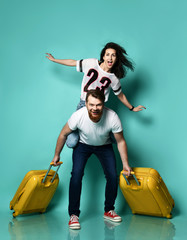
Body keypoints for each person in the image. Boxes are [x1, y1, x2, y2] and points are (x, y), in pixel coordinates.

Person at [51, 89, 132, 230]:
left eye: (98, 105)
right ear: (86, 104)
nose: (95, 108)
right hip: (83, 146)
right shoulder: (78, 116)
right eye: (91, 105)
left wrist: (126, 164)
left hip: (104, 146)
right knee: (76, 176)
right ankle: (73, 215)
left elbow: (120, 142)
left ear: (103, 104)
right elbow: (63, 134)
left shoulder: (112, 117)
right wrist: (57, 154)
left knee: (113, 176)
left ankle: (109, 210)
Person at [46, 42, 146, 148]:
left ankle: (96, 141)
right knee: (71, 143)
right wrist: (55, 60)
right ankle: (84, 135)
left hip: (100, 109)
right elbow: (73, 62)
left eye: (113, 55)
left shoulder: (114, 78)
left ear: (116, 59)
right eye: (107, 54)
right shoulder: (92, 63)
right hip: (84, 105)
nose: (110, 58)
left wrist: (132, 108)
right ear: (103, 56)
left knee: (116, 139)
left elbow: (121, 95)